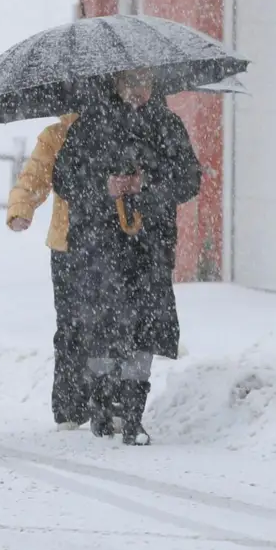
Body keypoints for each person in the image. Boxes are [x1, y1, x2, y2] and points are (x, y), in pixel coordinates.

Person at [51, 69, 200, 445]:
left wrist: (144, 184)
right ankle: (103, 406)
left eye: (146, 82)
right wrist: (104, 186)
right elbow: (64, 177)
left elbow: (189, 179)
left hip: (149, 248)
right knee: (102, 330)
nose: (139, 91)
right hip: (99, 247)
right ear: (115, 84)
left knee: (144, 330)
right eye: (131, 83)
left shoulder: (166, 125)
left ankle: (133, 413)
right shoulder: (90, 125)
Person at [6, 112, 91, 428]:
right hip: (67, 243)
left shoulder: (117, 128)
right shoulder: (56, 136)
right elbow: (34, 178)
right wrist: (21, 208)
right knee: (71, 326)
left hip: (109, 245)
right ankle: (70, 406)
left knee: (103, 326)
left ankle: (103, 401)